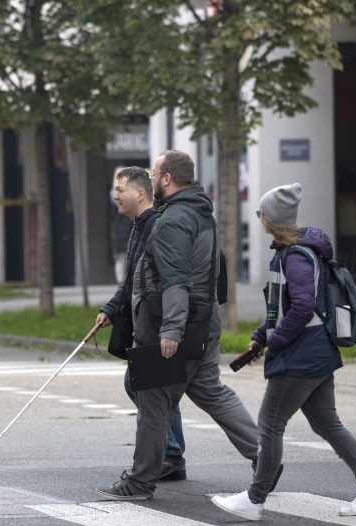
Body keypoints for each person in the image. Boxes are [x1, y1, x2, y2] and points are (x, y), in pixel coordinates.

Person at [211, 183, 356, 521]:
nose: (259, 217)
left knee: (270, 423)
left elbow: (304, 306)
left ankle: (254, 498)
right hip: (317, 351)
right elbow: (286, 307)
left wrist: (276, 341)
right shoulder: (294, 250)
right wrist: (261, 336)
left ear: (270, 218)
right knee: (327, 423)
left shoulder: (294, 255)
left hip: (302, 355)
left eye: (260, 212)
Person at [96, 150, 262, 501]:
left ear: (166, 178)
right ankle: (265, 456)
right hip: (203, 321)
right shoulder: (202, 213)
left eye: (154, 174)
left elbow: (175, 280)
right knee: (210, 391)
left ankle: (140, 483)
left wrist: (171, 329)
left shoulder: (171, 220)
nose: (151, 179)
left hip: (173, 323)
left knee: (153, 401)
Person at [96, 166, 187, 481]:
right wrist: (111, 309)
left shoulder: (156, 227)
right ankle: (172, 454)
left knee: (146, 384)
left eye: (119, 190)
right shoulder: (138, 226)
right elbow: (132, 280)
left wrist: (168, 326)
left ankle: (170, 455)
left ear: (139, 193)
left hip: (157, 321)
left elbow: (173, 280)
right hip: (147, 320)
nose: (115, 196)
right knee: (149, 385)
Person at [109, 166, 132, 284]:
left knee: (122, 261)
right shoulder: (118, 196)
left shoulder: (113, 194)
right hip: (122, 232)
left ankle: (122, 286)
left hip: (120, 232)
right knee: (122, 261)